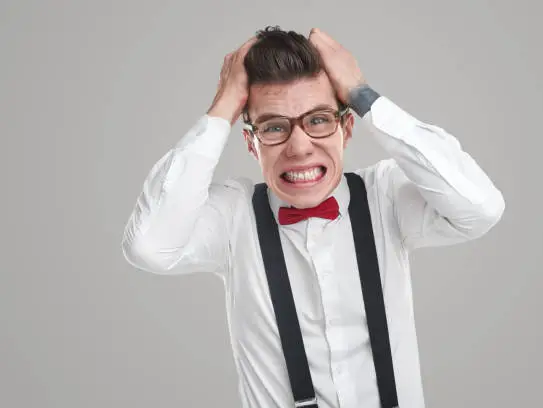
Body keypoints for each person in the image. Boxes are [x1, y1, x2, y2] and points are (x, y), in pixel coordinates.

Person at [122, 26, 505, 408]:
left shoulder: (385, 197)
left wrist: (361, 94)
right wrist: (222, 108)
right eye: (274, 127)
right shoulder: (233, 217)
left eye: (318, 120)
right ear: (251, 144)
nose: (300, 146)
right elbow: (149, 248)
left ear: (347, 127)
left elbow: (480, 208)